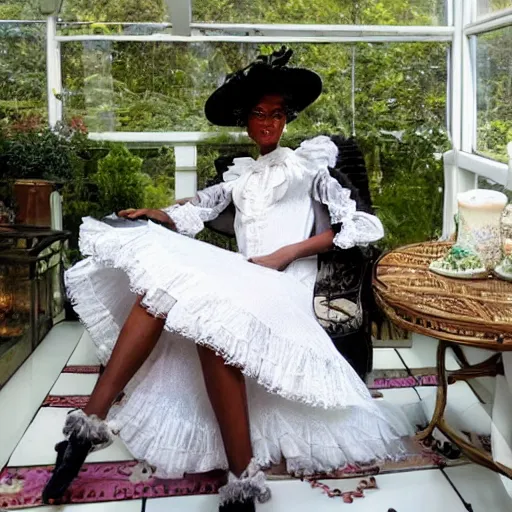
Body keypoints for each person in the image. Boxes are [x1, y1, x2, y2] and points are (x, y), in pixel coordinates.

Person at [42, 47, 413, 511]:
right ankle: (87, 428)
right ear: (245, 120)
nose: (268, 123)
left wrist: (286, 252)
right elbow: (193, 210)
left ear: (287, 119)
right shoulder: (240, 176)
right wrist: (156, 213)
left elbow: (360, 227)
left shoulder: (310, 166)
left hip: (284, 287)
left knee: (211, 329)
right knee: (156, 291)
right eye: (259, 114)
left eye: (277, 114)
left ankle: (240, 482)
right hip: (243, 280)